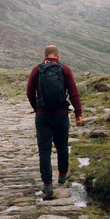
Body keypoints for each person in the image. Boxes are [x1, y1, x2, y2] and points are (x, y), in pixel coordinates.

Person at [26, 44, 82, 199]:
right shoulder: (65, 70)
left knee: (44, 151)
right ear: (58, 56)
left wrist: (37, 107)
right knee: (62, 146)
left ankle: (48, 184)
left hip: (43, 116)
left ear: (44, 56)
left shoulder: (36, 70)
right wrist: (78, 113)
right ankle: (62, 176)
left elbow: (29, 92)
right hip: (61, 115)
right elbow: (74, 93)